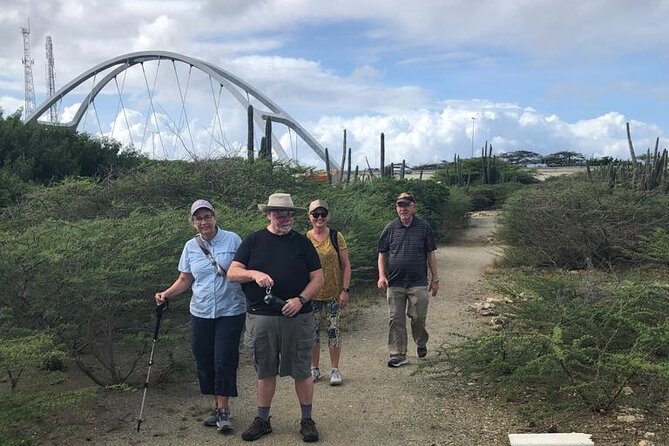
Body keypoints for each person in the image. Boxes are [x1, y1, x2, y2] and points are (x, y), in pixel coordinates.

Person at [227, 193, 324, 443]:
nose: (284, 218)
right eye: (279, 213)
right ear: (268, 214)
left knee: (302, 369)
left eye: (288, 213)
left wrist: (300, 299)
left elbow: (318, 278)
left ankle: (306, 420)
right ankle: (263, 420)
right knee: (265, 369)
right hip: (261, 316)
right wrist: (254, 273)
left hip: (298, 316)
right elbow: (232, 273)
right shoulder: (253, 241)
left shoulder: (302, 243)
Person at [155, 199, 246, 433]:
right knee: (204, 358)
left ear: (215, 217)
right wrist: (167, 293)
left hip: (231, 310)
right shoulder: (190, 247)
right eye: (198, 218)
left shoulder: (233, 240)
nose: (203, 221)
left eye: (207, 216)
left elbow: (244, 270)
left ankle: (224, 410)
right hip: (201, 311)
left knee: (224, 358)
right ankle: (216, 406)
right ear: (193, 222)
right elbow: (185, 279)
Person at [377, 192, 439, 368]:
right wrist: (382, 275)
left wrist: (435, 279)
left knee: (418, 318)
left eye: (406, 205)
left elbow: (431, 254)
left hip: (418, 282)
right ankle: (398, 353)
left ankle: (420, 342)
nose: (402, 209)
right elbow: (382, 254)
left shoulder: (424, 227)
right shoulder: (390, 228)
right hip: (395, 283)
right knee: (395, 319)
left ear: (413, 207)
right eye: (399, 206)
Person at [305, 199, 352, 386]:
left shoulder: (335, 236)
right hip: (312, 295)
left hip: (333, 293)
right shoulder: (305, 238)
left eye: (323, 214)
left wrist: (345, 290)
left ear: (328, 216)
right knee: (312, 332)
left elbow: (346, 265)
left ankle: (335, 369)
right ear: (309, 216)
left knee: (334, 331)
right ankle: (314, 369)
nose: (319, 218)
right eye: (316, 214)